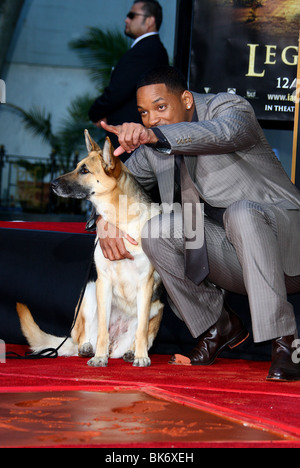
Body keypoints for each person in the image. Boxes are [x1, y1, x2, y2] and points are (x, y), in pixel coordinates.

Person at [95, 66, 300, 382]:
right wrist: (104, 221)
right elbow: (118, 182)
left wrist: (157, 136)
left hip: (286, 247)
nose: (152, 119)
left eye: (160, 107)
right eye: (144, 113)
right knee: (157, 230)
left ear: (187, 99)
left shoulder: (228, 108)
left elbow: (226, 133)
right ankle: (218, 324)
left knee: (241, 212)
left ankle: (287, 343)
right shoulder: (154, 146)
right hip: (235, 257)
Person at [88, 0, 169, 155]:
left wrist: (95, 113)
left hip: (130, 141)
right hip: (131, 139)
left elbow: (118, 90)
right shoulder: (152, 49)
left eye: (132, 15)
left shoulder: (145, 51)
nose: (126, 19)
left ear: (150, 21)